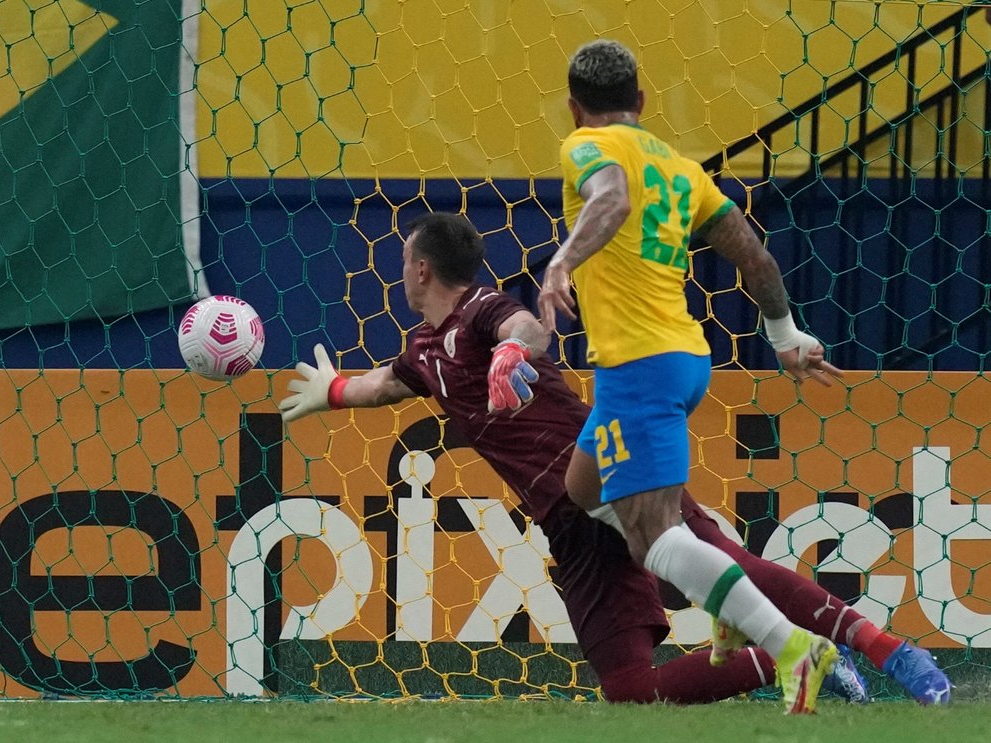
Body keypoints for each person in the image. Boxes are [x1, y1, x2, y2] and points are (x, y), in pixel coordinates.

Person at [279, 212, 947, 707]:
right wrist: (329, 391)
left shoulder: (485, 310)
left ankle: (883, 649)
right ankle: (784, 658)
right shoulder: (423, 349)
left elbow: (527, 326)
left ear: (421, 267)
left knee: (738, 566)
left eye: (403, 261)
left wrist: (513, 351)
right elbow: (382, 387)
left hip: (607, 465)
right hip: (565, 521)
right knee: (629, 691)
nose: (401, 271)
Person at [536, 39, 951, 711]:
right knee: (581, 489)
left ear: (573, 109)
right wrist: (786, 336)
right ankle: (726, 597)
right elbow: (754, 256)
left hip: (638, 365)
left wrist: (561, 261)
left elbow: (608, 200)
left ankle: (793, 645)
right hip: (685, 359)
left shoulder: (585, 147)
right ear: (641, 101)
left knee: (656, 539)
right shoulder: (680, 170)